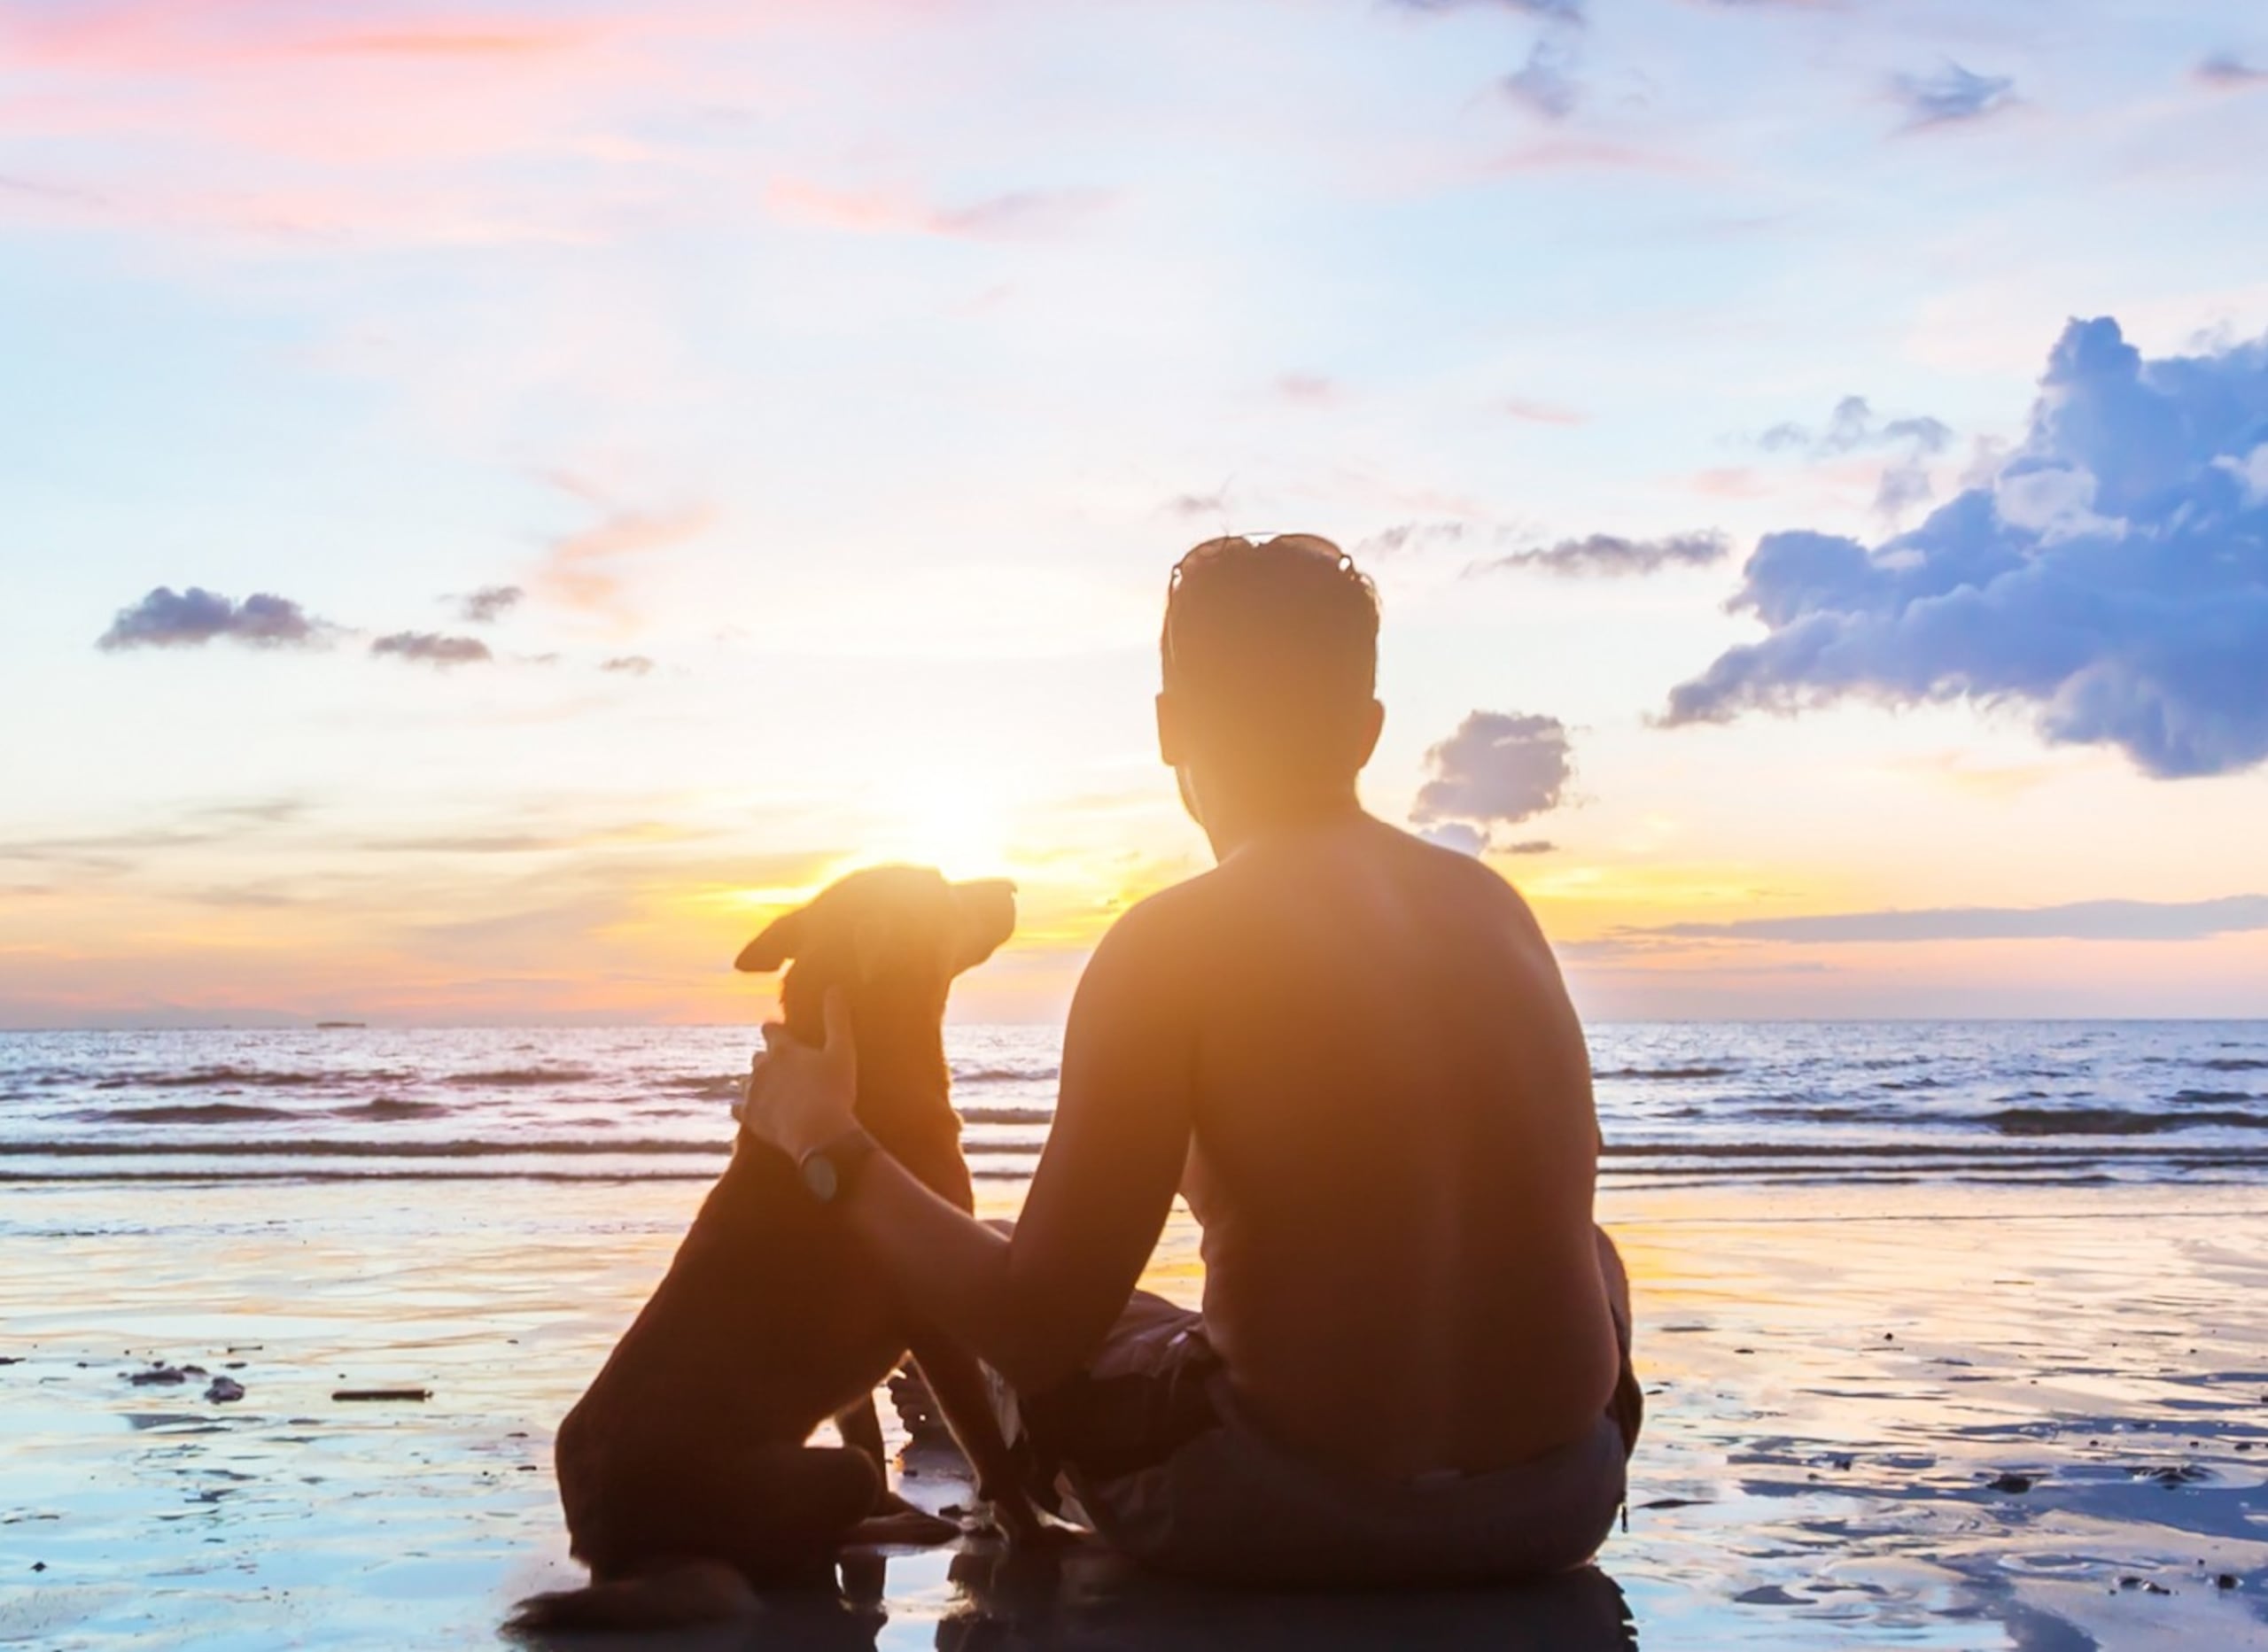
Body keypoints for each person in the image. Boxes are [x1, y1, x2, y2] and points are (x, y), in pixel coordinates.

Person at [740, 533, 1640, 1586]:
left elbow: (1037, 1327)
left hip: (1277, 1512)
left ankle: (973, 1429)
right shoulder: (1498, 911)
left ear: (1171, 730)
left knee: (994, 1283)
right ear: (1365, 732)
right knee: (1592, 1250)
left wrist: (824, 1138)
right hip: (1558, 1496)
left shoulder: (1167, 945)